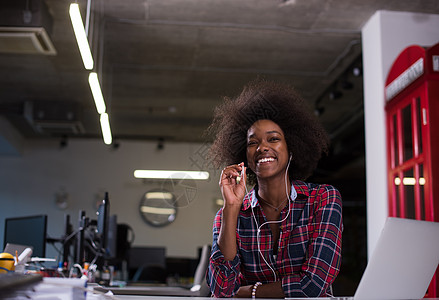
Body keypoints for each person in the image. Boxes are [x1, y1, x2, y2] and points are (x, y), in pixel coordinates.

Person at [205, 80, 343, 298]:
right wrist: (231, 207)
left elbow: (314, 284)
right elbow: (221, 288)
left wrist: (249, 292)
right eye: (253, 143)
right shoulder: (228, 217)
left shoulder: (323, 199)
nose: (262, 147)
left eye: (274, 139)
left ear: (292, 149)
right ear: (244, 156)